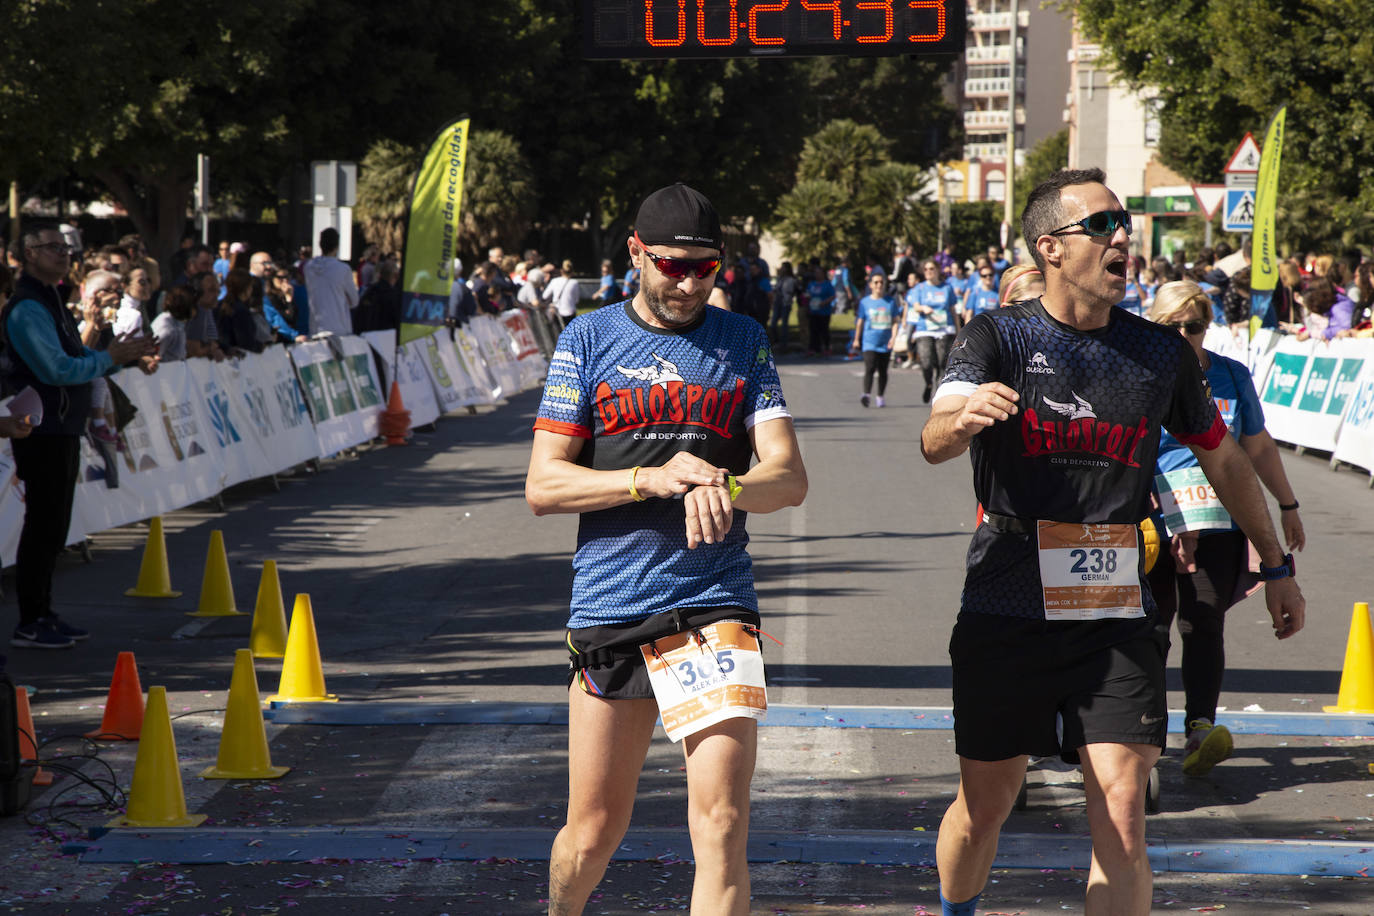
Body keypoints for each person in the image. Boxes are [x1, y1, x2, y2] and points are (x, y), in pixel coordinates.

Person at [920, 168, 1304, 916]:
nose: (1122, 238)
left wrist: (1278, 563)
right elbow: (933, 437)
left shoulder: (1159, 353)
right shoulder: (996, 335)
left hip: (1114, 607)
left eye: (1123, 223)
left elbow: (1224, 459)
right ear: (1050, 249)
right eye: (1101, 226)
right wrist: (961, 422)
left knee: (1124, 814)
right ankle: (958, 909)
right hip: (1007, 601)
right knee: (984, 808)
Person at [525, 183, 806, 916]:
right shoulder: (587, 339)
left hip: (714, 605)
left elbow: (789, 477)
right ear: (635, 253)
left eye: (704, 269)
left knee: (721, 824)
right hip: (613, 604)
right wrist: (649, 479)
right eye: (671, 266)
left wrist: (730, 486)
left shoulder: (743, 340)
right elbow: (544, 486)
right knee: (592, 835)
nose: (687, 283)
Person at [1146, 280, 1306, 777]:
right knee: (1149, 628)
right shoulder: (1139, 376)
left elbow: (1256, 447)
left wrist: (1287, 503)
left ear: (1206, 329)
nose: (1183, 335)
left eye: (1193, 327)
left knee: (1203, 620)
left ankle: (1199, 728)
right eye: (1171, 326)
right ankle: (1142, 732)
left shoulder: (1231, 376)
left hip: (1217, 520)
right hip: (1150, 518)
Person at [1, 226, 157, 649]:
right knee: (43, 526)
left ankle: (43, 611)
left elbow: (77, 355)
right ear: (30, 254)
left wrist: (118, 357)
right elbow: (56, 369)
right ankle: (31, 620)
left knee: (54, 527)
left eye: (67, 248)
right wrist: (110, 358)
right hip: (41, 427)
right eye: (54, 247)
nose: (65, 254)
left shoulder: (50, 299)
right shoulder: (27, 307)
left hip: (63, 426)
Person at [903, 259, 959, 402]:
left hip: (945, 328)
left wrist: (959, 331)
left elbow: (953, 310)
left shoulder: (947, 288)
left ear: (938, 270)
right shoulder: (919, 288)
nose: (928, 271)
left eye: (932, 268)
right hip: (925, 329)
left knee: (942, 362)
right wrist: (923, 308)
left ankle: (939, 393)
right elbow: (915, 306)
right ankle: (928, 382)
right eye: (926, 269)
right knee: (926, 361)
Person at [851, 272, 901, 407]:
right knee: (870, 367)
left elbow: (895, 321)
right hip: (869, 342)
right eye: (876, 282)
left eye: (881, 282)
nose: (879, 285)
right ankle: (866, 394)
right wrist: (856, 339)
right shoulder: (865, 302)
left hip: (885, 342)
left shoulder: (890, 302)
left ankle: (880, 396)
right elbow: (860, 321)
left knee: (883, 370)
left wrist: (893, 337)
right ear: (871, 285)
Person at [304, 227, 358, 336]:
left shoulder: (308, 267)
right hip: (339, 329)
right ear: (337, 246)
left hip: (316, 327)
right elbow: (354, 300)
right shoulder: (343, 269)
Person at [804, 265, 835, 357]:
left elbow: (833, 296)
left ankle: (827, 347)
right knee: (813, 330)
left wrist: (824, 302)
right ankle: (814, 348)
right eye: (816, 273)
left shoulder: (827, 284)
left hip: (824, 311)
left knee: (824, 330)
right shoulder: (811, 284)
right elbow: (807, 294)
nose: (817, 274)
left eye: (819, 273)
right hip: (813, 311)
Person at [769, 261, 799, 347]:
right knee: (773, 323)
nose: (781, 269)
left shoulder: (792, 280)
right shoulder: (780, 278)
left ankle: (783, 343)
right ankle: (775, 340)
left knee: (784, 324)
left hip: (786, 303)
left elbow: (793, 291)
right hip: (777, 302)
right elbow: (775, 289)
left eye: (783, 267)